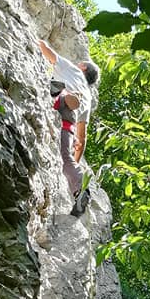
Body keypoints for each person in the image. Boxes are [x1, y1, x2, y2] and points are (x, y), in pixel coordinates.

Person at [38, 38, 100, 215]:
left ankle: (64, 96)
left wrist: (37, 40)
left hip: (61, 101)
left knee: (51, 85)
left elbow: (49, 52)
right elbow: (82, 137)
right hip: (69, 122)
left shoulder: (72, 69)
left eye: (80, 63)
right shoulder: (88, 97)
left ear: (83, 68)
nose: (77, 63)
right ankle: (81, 191)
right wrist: (75, 161)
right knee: (65, 159)